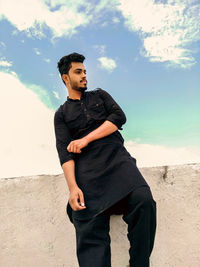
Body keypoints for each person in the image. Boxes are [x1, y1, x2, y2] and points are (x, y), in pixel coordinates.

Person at [54, 52, 157, 267]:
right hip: (87, 171)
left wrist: (85, 139)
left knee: (143, 200)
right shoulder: (61, 114)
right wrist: (73, 188)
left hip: (117, 161)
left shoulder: (100, 95)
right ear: (65, 78)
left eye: (84, 71)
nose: (84, 75)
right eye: (78, 72)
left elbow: (118, 117)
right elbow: (65, 154)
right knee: (87, 223)